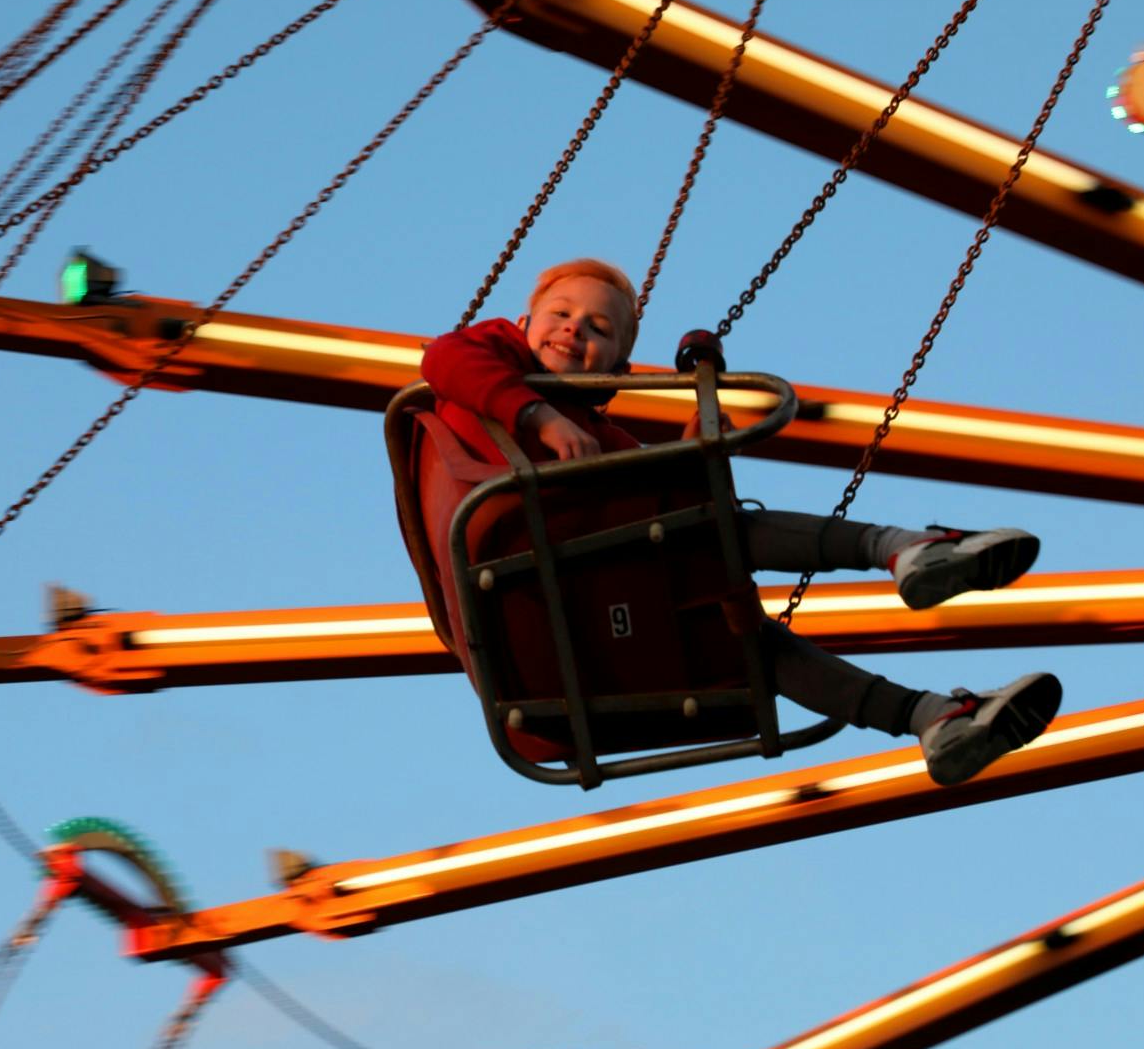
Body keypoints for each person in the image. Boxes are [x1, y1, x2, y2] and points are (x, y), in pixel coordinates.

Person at [416, 258, 1062, 787]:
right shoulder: (487, 361)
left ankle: (931, 717)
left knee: (747, 638)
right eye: (560, 314)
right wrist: (539, 418)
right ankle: (900, 549)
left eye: (598, 329)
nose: (574, 330)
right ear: (524, 321)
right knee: (717, 538)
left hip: (590, 613)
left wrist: (700, 449)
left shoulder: (603, 435)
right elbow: (443, 358)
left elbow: (662, 503)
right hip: (542, 574)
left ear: (615, 365)